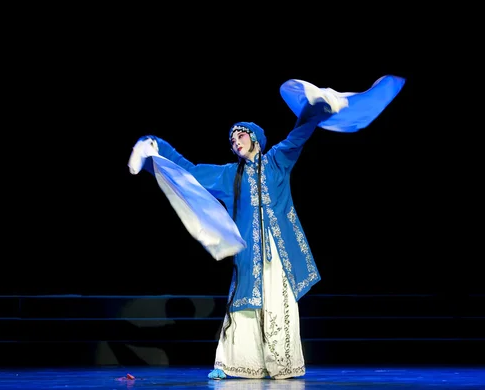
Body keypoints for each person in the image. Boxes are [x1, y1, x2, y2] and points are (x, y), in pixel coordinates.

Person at [130, 75, 405, 380]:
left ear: (256, 139)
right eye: (232, 139)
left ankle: (280, 365)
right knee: (244, 304)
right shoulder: (228, 175)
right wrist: (159, 148)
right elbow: (192, 172)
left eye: (240, 136)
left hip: (278, 248)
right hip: (249, 253)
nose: (235, 142)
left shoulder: (276, 162)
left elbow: (299, 134)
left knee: (277, 303)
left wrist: (316, 107)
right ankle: (232, 363)